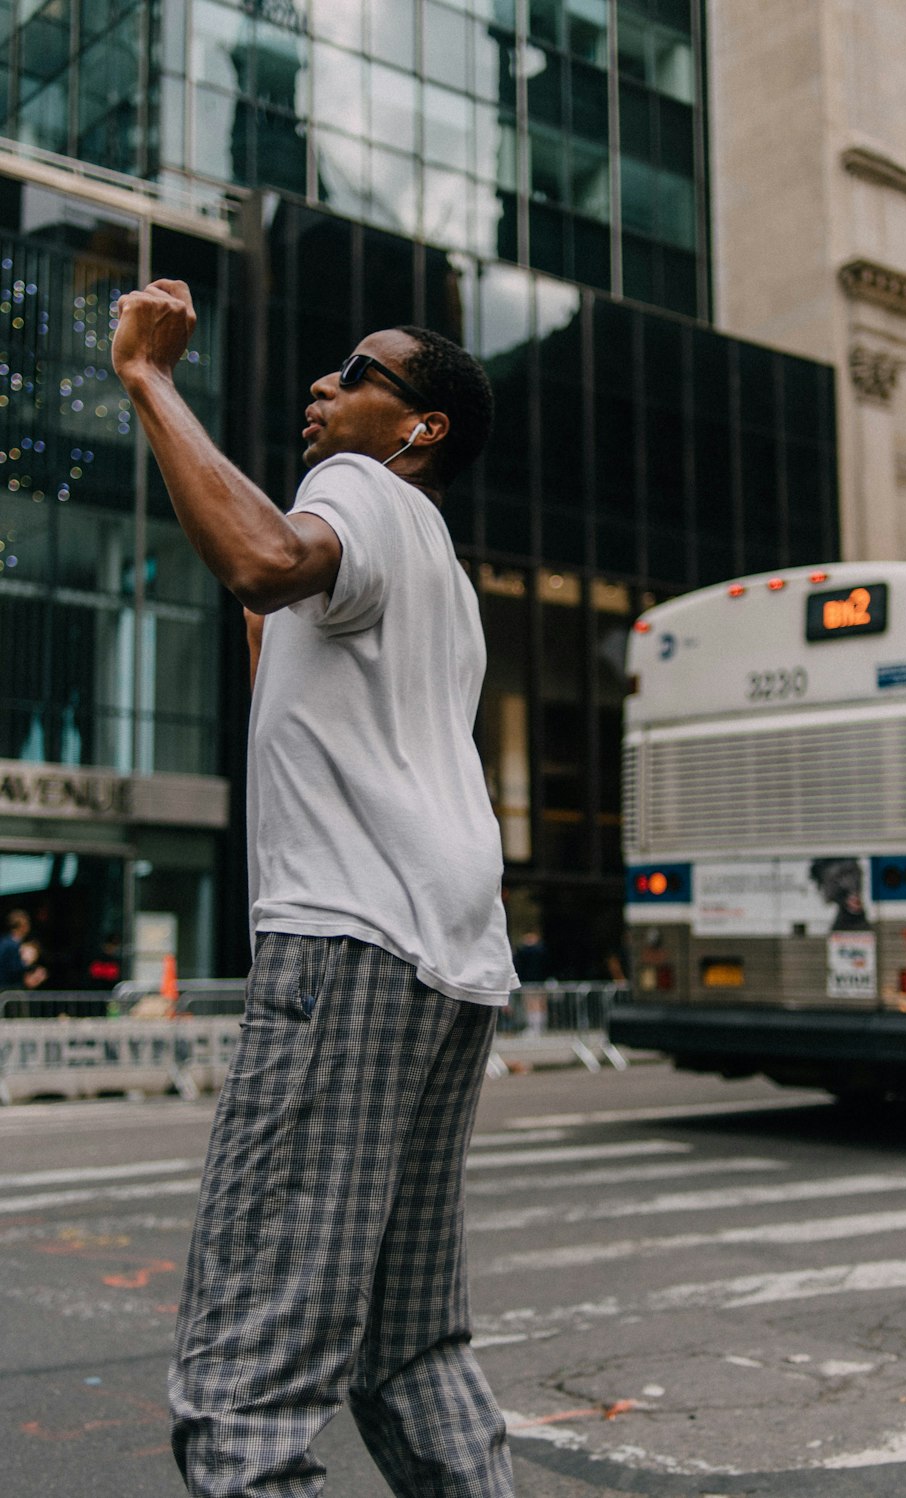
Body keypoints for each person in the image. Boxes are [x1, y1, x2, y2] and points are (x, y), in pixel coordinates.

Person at [112, 283, 519, 1498]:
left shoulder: (353, 490)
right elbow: (270, 618)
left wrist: (149, 381)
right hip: (449, 954)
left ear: (420, 427)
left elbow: (264, 556)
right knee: (407, 1346)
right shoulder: (438, 564)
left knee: (245, 1388)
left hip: (346, 942)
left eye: (358, 372)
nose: (323, 388)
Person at [0, 908, 47, 992]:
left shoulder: (6, 941)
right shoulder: (12, 944)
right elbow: (13, 968)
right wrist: (28, 963)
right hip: (7, 989)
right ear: (22, 926)